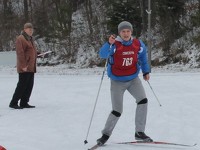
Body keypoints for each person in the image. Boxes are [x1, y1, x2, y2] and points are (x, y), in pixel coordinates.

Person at [96, 21, 153, 146]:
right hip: (117, 81)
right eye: (123, 31)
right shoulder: (114, 44)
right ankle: (105, 135)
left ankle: (139, 132)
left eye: (128, 31)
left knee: (143, 100)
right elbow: (102, 54)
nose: (126, 33)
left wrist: (146, 71)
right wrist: (108, 44)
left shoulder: (138, 44)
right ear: (119, 33)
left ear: (131, 32)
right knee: (117, 110)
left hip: (133, 79)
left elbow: (143, 57)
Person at [9, 23, 41, 109]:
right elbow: (20, 53)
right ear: (25, 29)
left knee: (29, 85)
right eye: (29, 29)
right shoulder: (21, 38)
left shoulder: (30, 39)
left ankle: (24, 102)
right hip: (25, 67)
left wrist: (37, 54)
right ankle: (13, 102)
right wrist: (23, 65)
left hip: (31, 67)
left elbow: (30, 51)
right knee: (22, 85)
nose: (31, 30)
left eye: (32, 29)